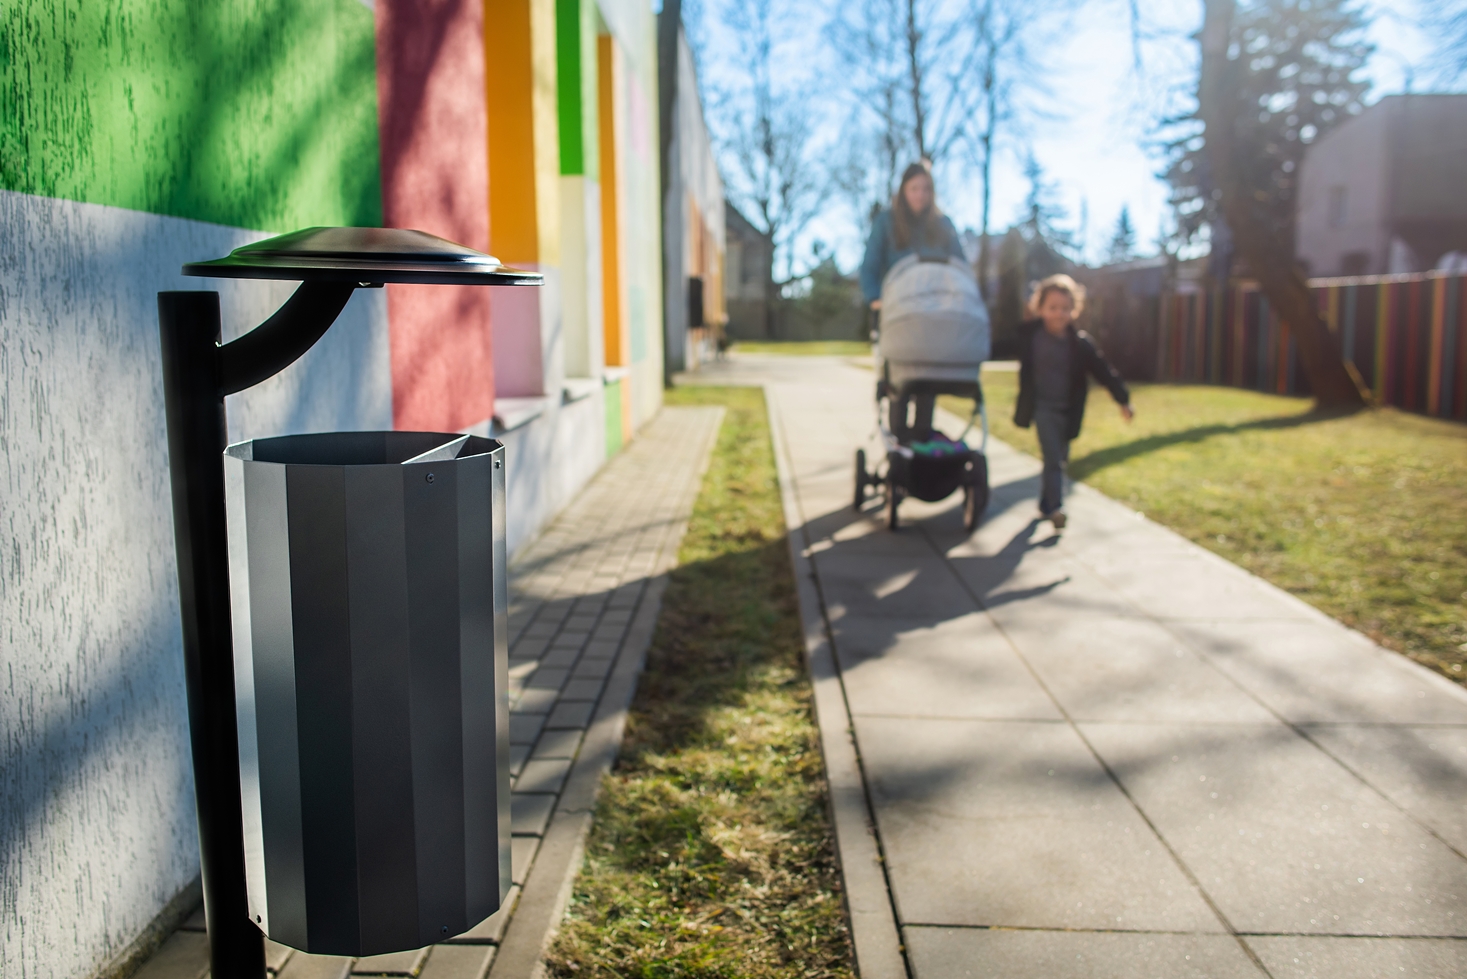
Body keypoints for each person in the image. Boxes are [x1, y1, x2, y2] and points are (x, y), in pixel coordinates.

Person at [1013, 274, 1133, 530]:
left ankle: (1046, 503)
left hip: (1068, 411)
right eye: (1053, 307)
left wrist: (1123, 400)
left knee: (1059, 459)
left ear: (1074, 310)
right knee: (1053, 459)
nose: (1059, 314)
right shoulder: (1030, 337)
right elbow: (997, 347)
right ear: (1040, 308)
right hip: (1042, 408)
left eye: (1065, 308)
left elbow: (1103, 372)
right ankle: (1057, 508)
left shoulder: (1080, 344)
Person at [861, 162, 967, 441]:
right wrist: (875, 299)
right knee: (901, 381)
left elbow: (959, 268)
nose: (920, 195)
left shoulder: (943, 225)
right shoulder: (886, 223)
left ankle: (921, 442)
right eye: (914, 188)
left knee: (928, 382)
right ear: (903, 191)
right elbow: (869, 268)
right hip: (898, 315)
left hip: (933, 317)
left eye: (926, 189)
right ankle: (899, 445)